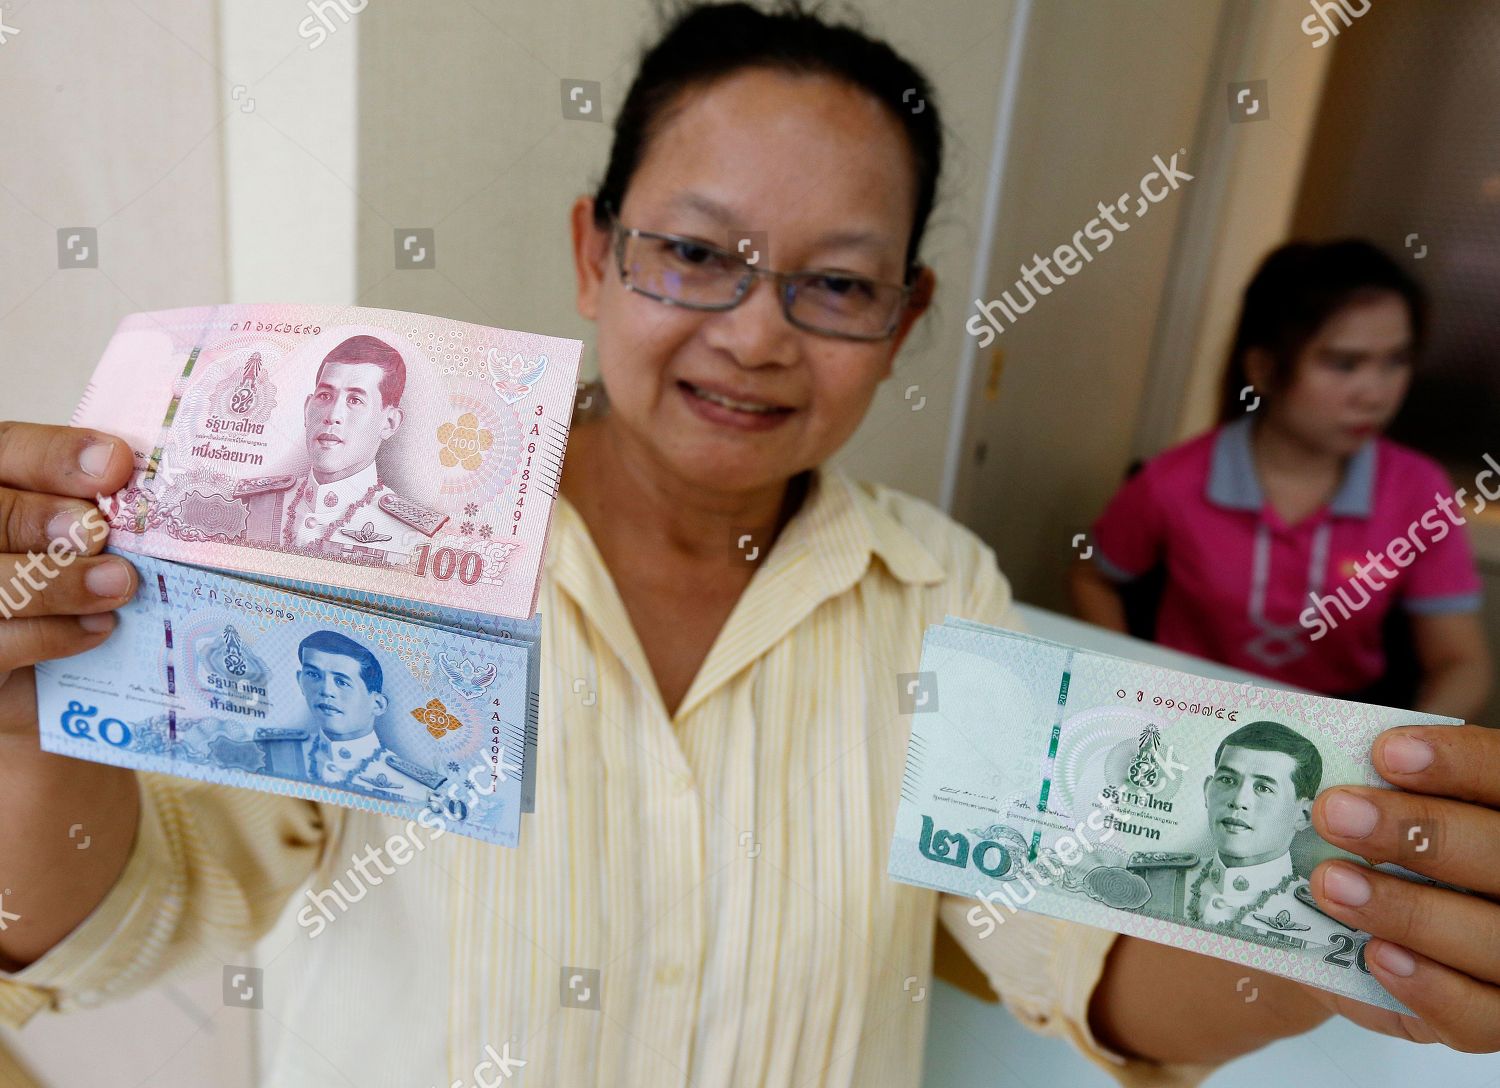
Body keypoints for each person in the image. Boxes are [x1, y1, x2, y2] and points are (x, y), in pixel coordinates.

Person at [3, 4, 1500, 1085]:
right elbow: (126, 922)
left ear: (907, 320)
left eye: (836, 287)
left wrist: (1338, 936)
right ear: (597, 254)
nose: (755, 335)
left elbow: (1076, 966)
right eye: (696, 255)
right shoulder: (378, 556)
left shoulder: (937, 600)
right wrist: (26, 720)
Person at [1071, 240, 1492, 721]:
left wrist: (1397, 740)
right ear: (1265, 370)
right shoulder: (1173, 481)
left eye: (1395, 361)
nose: (1376, 394)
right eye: (1344, 363)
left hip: (1341, 725)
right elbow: (1090, 575)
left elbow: (1462, 662)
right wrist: (1135, 683)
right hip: (1190, 714)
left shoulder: (1418, 491)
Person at [1127, 720, 1347, 948]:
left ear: (1303, 815)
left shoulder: (1330, 928)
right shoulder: (1145, 881)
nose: (1239, 800)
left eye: (1263, 788)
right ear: (1207, 791)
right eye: (1228, 780)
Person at [234, 334, 450, 557]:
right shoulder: (251, 504)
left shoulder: (412, 536)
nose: (333, 415)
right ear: (307, 409)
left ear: (389, 422)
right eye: (325, 395)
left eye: (355, 400)